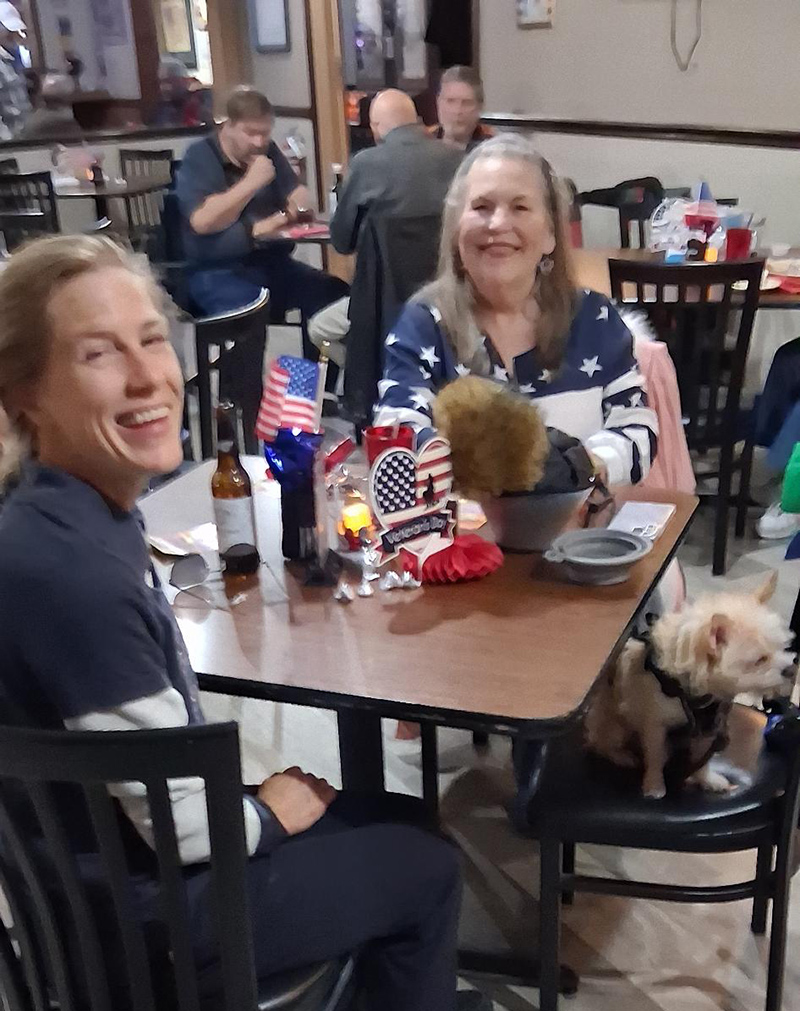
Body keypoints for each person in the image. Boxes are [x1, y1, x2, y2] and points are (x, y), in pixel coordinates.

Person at [0, 235, 489, 1011]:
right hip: (151, 924)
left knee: (398, 820)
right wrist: (264, 812)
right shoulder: (72, 576)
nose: (147, 377)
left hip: (96, 884)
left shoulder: (51, 518)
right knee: (426, 869)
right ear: (23, 391)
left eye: (153, 339)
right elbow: (183, 828)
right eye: (98, 354)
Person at [375, 133, 658, 489]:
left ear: (550, 235)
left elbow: (638, 433)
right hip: (464, 541)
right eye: (481, 207)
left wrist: (582, 465)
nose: (497, 225)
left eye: (520, 208)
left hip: (579, 539)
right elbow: (395, 439)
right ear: (455, 229)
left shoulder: (593, 318)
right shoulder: (423, 324)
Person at [175, 86, 347, 363]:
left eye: (265, 133)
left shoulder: (269, 153)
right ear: (227, 126)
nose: (258, 141)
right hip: (215, 271)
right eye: (250, 133)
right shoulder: (201, 156)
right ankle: (243, 401)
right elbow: (203, 221)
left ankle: (314, 393)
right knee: (251, 311)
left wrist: (290, 211)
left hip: (270, 263)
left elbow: (299, 196)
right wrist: (253, 182)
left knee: (332, 294)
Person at [308, 89, 462, 371]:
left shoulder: (366, 164)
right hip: (451, 300)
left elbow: (342, 242)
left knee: (320, 329)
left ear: (376, 127)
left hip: (382, 308)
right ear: (416, 120)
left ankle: (369, 380)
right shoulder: (457, 159)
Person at [428, 66, 493, 152]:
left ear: (479, 107)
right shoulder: (423, 141)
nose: (457, 110)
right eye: (450, 101)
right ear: (438, 102)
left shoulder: (493, 147)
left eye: (467, 103)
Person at [0, 1, 29, 140]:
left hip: (19, 137)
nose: (13, 34)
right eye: (9, 30)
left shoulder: (11, 61)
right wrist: (7, 141)